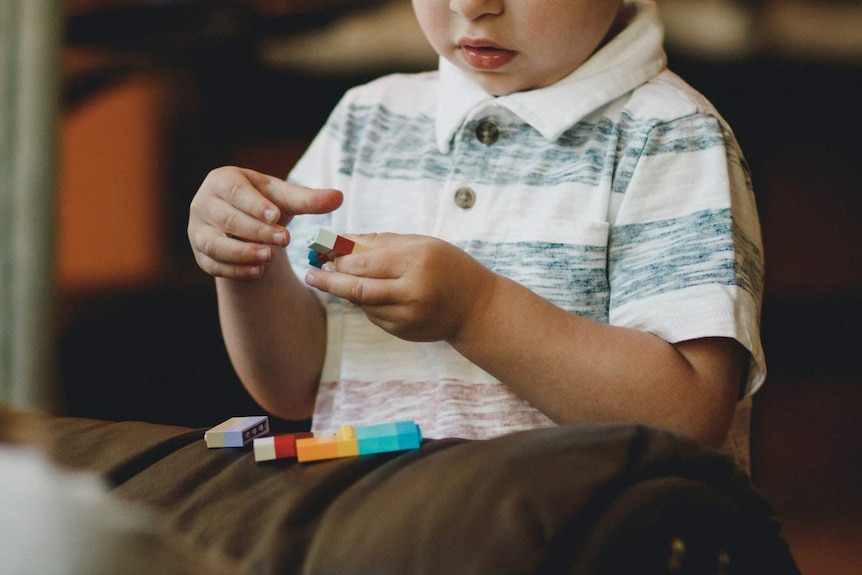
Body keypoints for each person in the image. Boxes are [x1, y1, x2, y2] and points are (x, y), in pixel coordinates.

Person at [188, 0, 766, 470]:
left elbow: (689, 417)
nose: (471, 6)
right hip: (374, 534)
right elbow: (295, 386)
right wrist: (248, 262)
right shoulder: (368, 119)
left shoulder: (670, 135)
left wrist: (478, 311)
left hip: (586, 545)